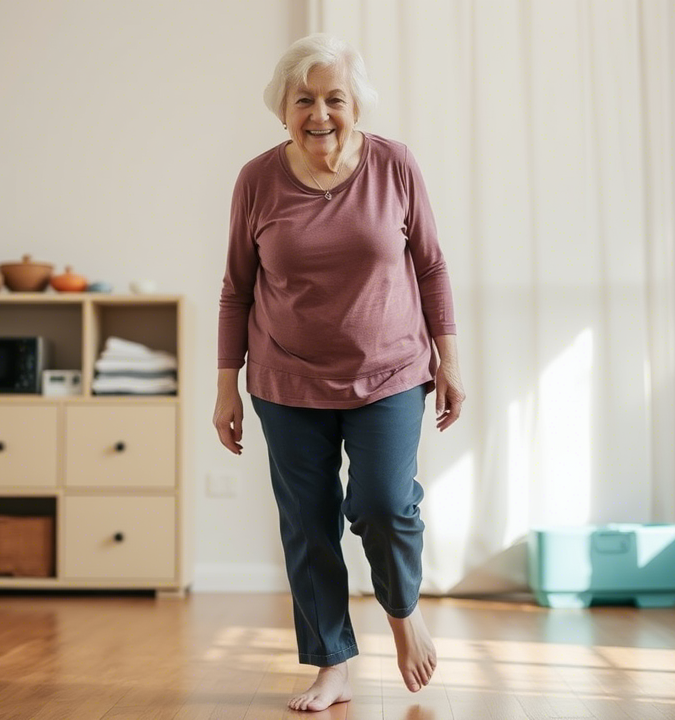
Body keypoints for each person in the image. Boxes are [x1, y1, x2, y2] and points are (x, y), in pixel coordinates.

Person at [213, 33, 465, 713]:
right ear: (283, 108)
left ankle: (402, 608)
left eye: (334, 98)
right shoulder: (257, 180)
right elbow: (237, 287)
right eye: (305, 99)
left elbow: (432, 266)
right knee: (308, 523)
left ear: (356, 106)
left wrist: (450, 359)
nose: (319, 112)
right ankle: (331, 665)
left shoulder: (395, 165)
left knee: (383, 504)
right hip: (285, 382)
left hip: (391, 372)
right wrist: (224, 387)